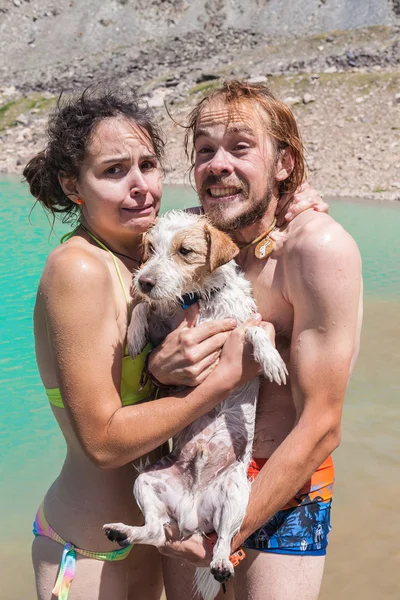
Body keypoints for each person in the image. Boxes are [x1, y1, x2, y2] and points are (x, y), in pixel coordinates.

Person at [24, 86, 324, 600]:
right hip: (89, 547)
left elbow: (212, 233)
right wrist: (225, 376)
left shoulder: (142, 262)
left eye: (149, 164)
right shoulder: (77, 268)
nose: (141, 186)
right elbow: (102, 442)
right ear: (74, 185)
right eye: (114, 171)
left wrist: (293, 200)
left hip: (155, 536)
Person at [147, 81, 363, 600]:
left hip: (286, 490)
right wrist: (158, 367)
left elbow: (322, 425)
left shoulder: (315, 248)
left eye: (240, 147)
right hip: (194, 476)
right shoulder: (185, 240)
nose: (218, 164)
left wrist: (230, 532)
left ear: (284, 163)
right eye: (204, 150)